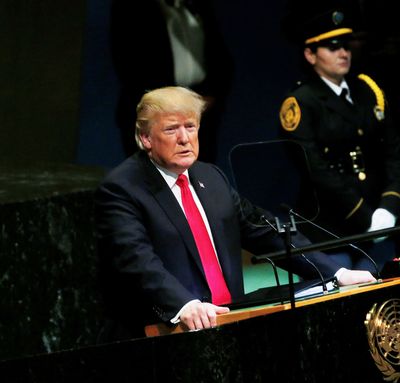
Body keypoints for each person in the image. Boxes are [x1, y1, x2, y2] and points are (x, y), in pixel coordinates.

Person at [94, 86, 375, 341]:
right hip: (167, 333)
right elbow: (137, 260)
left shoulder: (210, 176)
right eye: (171, 130)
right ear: (145, 138)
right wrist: (182, 304)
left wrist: (334, 272)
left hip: (232, 324)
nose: (184, 138)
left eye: (191, 126)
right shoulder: (123, 187)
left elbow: (266, 231)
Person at [278, 8, 400, 271]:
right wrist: (365, 216)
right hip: (330, 228)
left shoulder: (368, 90)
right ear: (310, 54)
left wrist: (389, 207)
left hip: (381, 219)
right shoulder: (301, 102)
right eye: (332, 47)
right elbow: (316, 168)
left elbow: (392, 152)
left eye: (345, 46)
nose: (343, 53)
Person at [110, 0, 233, 163]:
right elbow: (129, 65)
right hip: (153, 117)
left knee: (197, 184)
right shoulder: (131, 8)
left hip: (198, 116)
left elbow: (222, 60)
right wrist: (172, 105)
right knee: (154, 184)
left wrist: (210, 97)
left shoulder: (198, 7)